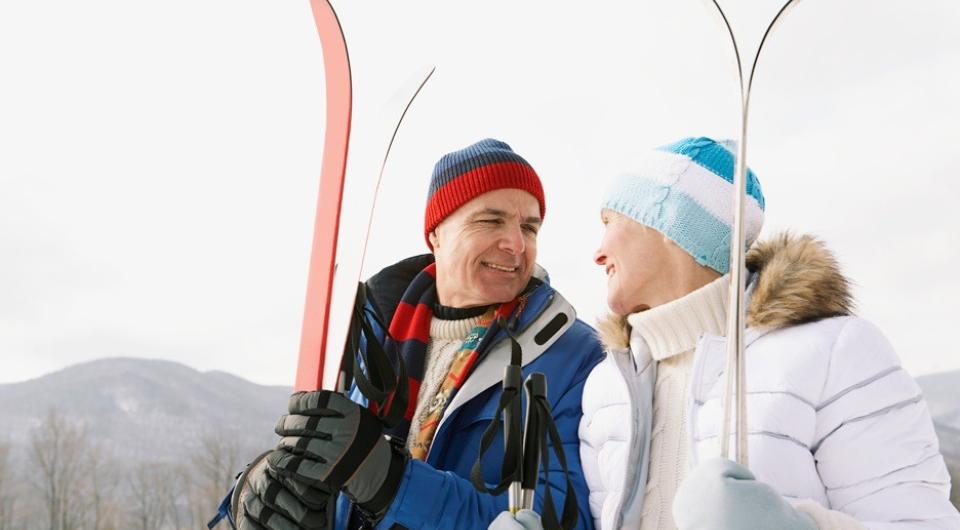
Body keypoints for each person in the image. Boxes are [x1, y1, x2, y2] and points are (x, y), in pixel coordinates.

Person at [577, 137, 960, 529]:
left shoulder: (835, 354)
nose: (598, 252)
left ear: (668, 224)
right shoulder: (607, 387)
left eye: (609, 222)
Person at [223, 139, 605, 530]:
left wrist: (391, 483)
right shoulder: (365, 333)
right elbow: (313, 451)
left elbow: (564, 518)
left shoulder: (576, 357)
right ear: (436, 233)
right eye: (491, 221)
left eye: (529, 227)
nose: (517, 243)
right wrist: (253, 496)